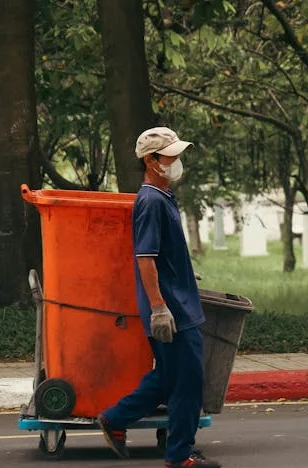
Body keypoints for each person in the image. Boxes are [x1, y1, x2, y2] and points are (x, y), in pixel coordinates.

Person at [96, 127, 221, 468]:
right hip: (173, 308)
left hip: (177, 300)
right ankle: (179, 456)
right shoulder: (151, 201)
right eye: (171, 156)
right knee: (189, 381)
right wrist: (159, 308)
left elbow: (162, 254)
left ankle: (115, 418)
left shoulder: (162, 196)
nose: (177, 161)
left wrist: (182, 271)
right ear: (151, 161)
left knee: (167, 377)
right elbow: (145, 258)